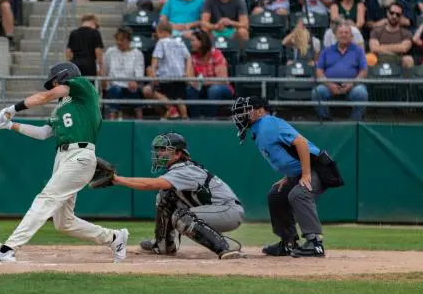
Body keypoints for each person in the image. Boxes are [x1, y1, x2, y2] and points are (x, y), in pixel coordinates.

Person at [0, 62, 130, 263]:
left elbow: (44, 97)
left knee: (46, 198)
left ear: (64, 76)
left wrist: (13, 108)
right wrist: (9, 125)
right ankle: (114, 237)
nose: (52, 87)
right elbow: (44, 133)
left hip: (80, 154)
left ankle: (8, 248)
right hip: (62, 157)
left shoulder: (83, 87)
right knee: (64, 223)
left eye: (54, 82)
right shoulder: (60, 109)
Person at [231, 95, 344, 258]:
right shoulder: (259, 128)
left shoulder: (268, 123)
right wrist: (288, 176)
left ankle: (315, 243)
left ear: (260, 110)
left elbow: (301, 143)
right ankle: (288, 243)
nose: (241, 116)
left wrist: (305, 174)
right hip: (302, 170)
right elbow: (287, 154)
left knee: (299, 194)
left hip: (318, 168)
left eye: (246, 111)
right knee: (276, 195)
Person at [114, 132, 245, 259]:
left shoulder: (185, 170)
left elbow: (150, 184)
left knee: (181, 217)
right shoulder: (177, 169)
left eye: (163, 149)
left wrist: (118, 179)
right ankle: (163, 245)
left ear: (177, 154)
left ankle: (223, 248)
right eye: (157, 149)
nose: (158, 153)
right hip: (213, 210)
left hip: (229, 211)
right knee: (164, 196)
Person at [312, 21, 368, 120]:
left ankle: (355, 121)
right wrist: (329, 84)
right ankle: (326, 119)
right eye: (340, 32)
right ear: (336, 35)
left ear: (351, 36)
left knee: (361, 93)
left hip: (352, 85)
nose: (343, 35)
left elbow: (363, 71)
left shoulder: (358, 51)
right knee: (317, 92)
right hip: (330, 85)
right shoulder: (326, 51)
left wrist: (352, 83)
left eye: (346, 33)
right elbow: (319, 70)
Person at [143, 22, 192, 119]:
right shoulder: (180, 42)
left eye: (157, 33)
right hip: (180, 77)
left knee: (160, 94)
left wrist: (153, 71)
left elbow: (156, 57)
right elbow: (188, 57)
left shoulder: (161, 42)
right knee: (179, 99)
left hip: (166, 77)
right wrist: (187, 71)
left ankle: (171, 108)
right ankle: (185, 117)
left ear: (161, 32)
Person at [186, 30, 234, 118]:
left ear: (202, 42)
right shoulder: (192, 56)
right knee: (190, 90)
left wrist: (204, 82)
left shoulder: (216, 54)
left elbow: (223, 80)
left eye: (193, 40)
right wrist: (189, 60)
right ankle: (195, 120)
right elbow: (190, 78)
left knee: (214, 90)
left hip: (221, 88)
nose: (190, 43)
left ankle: (210, 119)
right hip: (202, 88)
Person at [103, 27, 145, 120]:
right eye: (117, 39)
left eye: (122, 40)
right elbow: (105, 70)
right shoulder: (110, 52)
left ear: (128, 40)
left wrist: (135, 82)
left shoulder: (137, 54)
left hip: (130, 86)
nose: (119, 42)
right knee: (115, 90)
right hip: (114, 85)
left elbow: (139, 72)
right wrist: (105, 82)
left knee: (134, 92)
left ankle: (140, 121)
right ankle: (112, 120)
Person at [368, 2, 414, 69]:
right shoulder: (376, 31)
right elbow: (374, 48)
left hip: (398, 60)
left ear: (401, 16)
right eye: (392, 13)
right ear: (387, 13)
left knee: (408, 59)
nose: (394, 16)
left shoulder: (406, 33)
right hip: (378, 59)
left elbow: (404, 48)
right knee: (368, 58)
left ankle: (407, 80)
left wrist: (381, 47)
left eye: (398, 14)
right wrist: (395, 50)